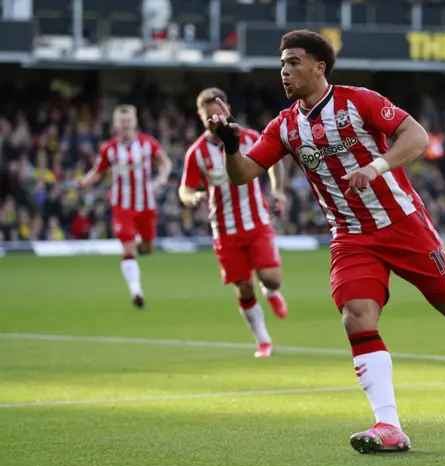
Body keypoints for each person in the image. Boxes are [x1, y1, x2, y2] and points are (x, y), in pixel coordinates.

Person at [207, 30, 445, 453]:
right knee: (356, 316)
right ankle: (389, 426)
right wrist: (229, 145)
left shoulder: (359, 101)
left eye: (294, 62)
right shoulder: (285, 125)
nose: (285, 71)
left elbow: (418, 138)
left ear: (319, 66)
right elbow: (242, 174)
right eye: (282, 64)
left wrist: (377, 166)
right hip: (350, 235)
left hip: (402, 222)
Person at [179, 88, 288, 358]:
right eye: (208, 118)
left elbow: (273, 161)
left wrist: (277, 189)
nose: (214, 121)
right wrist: (192, 198)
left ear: (225, 108)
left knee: (271, 278)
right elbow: (185, 189)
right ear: (200, 116)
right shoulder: (196, 154)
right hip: (224, 229)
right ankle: (263, 340)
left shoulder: (249, 137)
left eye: (217, 114)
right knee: (243, 286)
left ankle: (271, 292)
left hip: (257, 221)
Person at [78, 105, 172, 308]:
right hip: (122, 206)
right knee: (128, 248)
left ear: (135, 122)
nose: (126, 125)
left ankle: (135, 251)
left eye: (129, 121)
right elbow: (98, 171)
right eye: (122, 122)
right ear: (116, 125)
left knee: (148, 248)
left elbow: (164, 162)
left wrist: (163, 176)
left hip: (146, 205)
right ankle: (136, 291)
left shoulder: (148, 143)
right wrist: (85, 181)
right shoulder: (109, 148)